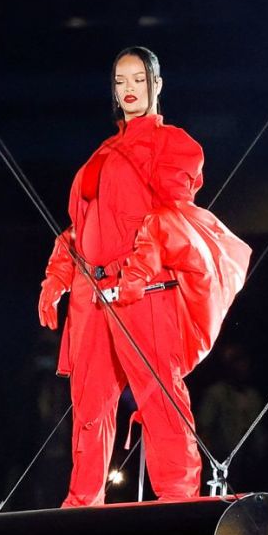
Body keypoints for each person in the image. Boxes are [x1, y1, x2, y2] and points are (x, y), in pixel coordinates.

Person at [38, 46, 250, 506]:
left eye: (137, 79)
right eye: (120, 81)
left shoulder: (172, 143)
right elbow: (84, 225)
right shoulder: (104, 150)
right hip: (92, 292)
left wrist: (140, 268)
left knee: (159, 393)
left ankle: (177, 497)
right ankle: (82, 501)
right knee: (90, 405)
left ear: (156, 84)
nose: (128, 89)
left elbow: (172, 214)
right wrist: (57, 274)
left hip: (142, 290)